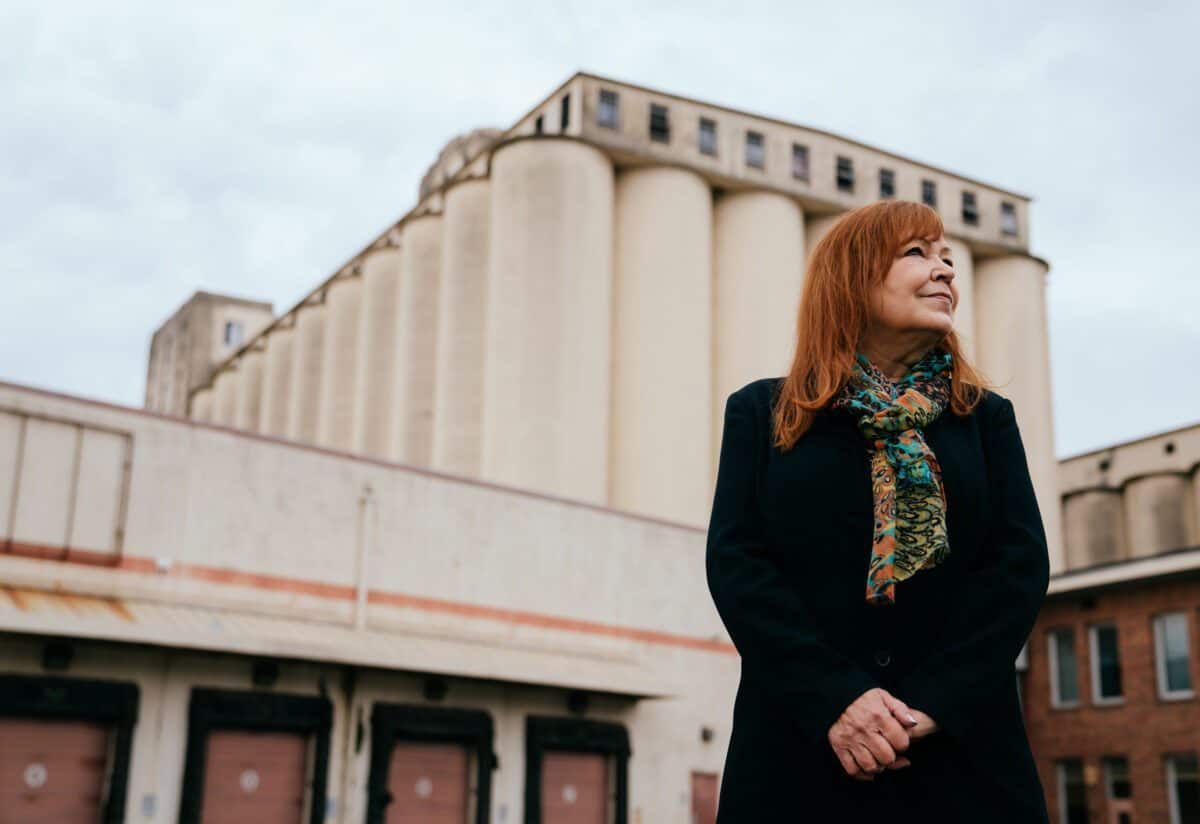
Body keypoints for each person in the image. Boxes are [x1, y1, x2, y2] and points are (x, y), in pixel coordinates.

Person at [705, 199, 1051, 822]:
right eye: (918, 253)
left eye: (947, 256)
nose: (945, 270)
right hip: (798, 761)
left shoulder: (986, 419)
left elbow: (1018, 569)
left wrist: (927, 706)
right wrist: (837, 699)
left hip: (964, 763)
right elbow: (739, 566)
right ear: (853, 278)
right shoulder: (761, 414)